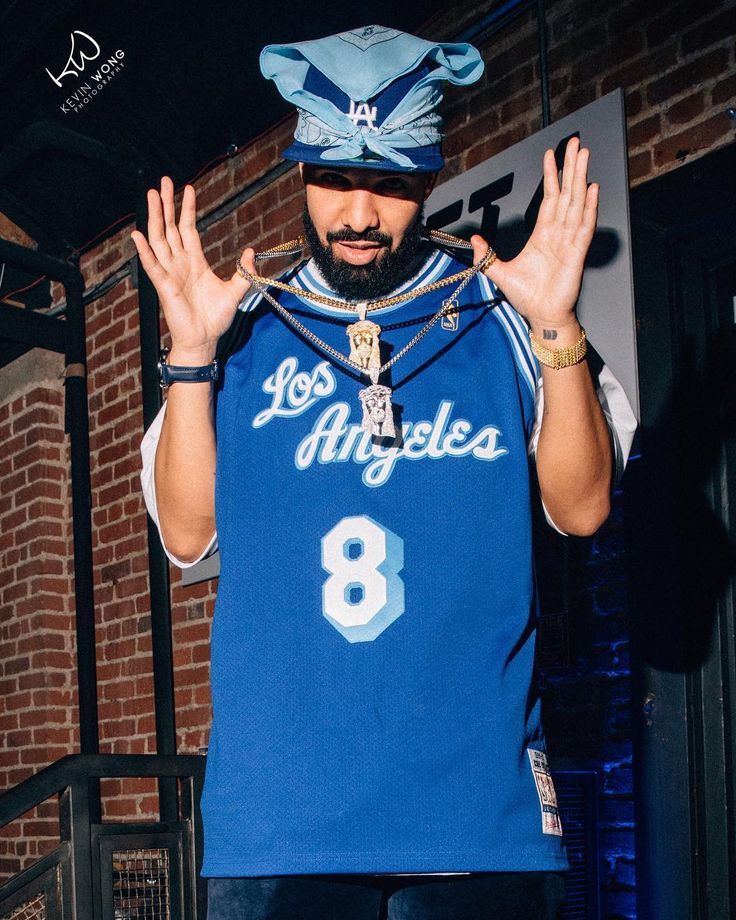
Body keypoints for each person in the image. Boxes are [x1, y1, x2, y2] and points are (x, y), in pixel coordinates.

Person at [135, 25, 636, 920]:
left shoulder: (505, 310)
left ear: (431, 176)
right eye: (335, 177)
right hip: (280, 822)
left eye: (390, 181)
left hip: (480, 817)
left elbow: (585, 507)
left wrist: (558, 327)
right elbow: (187, 532)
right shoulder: (242, 327)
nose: (359, 215)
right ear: (299, 174)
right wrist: (191, 353)